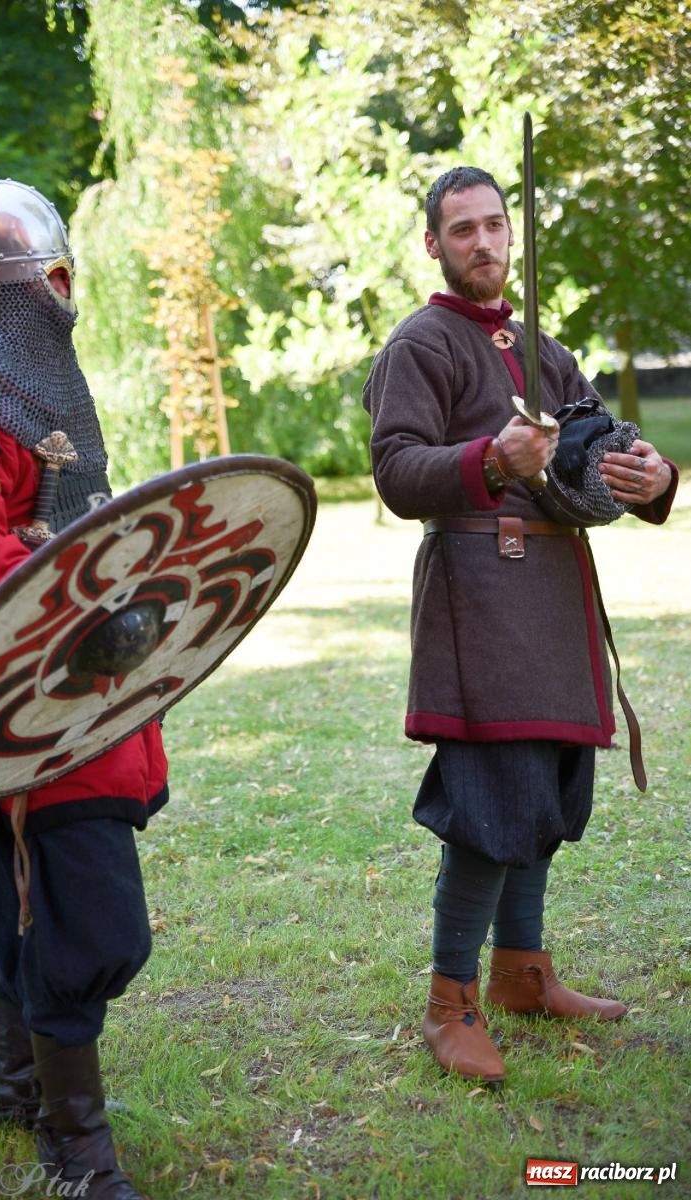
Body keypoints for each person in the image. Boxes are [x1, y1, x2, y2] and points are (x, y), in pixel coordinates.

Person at [362, 166, 677, 1087]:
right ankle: (449, 1001)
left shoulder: (539, 345)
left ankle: (522, 973)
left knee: (546, 788)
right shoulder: (418, 346)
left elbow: (596, 445)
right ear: (433, 244)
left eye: (494, 225)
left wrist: (648, 478)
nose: (484, 243)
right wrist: (486, 459)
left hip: (554, 590)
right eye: (461, 229)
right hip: (476, 592)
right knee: (491, 800)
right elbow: (393, 471)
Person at [0, 178, 168, 1197]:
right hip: (12, 690)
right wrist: (78, 590)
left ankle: (14, 1089)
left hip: (79, 677)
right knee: (89, 924)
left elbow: (74, 513)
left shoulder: (34, 370)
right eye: (52, 272)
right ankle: (75, 1149)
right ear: (10, 281)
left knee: (34, 903)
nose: (66, 290)